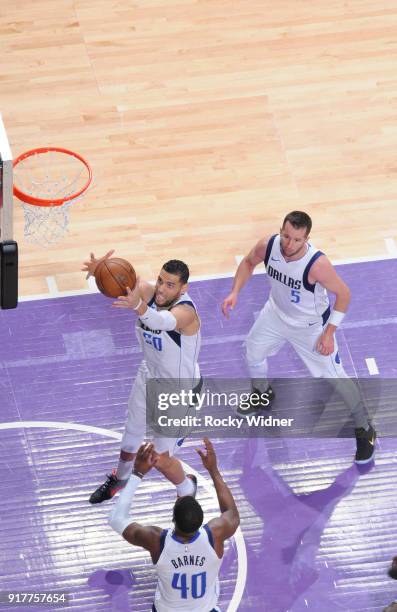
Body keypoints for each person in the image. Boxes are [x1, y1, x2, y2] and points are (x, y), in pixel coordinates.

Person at [221, 210, 376, 464]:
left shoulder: (317, 264)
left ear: (307, 239)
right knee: (252, 350)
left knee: (334, 378)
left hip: (310, 327)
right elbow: (248, 262)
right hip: (276, 314)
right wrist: (235, 292)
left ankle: (365, 427)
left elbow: (344, 295)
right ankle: (262, 393)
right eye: (286, 236)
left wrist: (329, 333)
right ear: (280, 231)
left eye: (296, 240)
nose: (289, 244)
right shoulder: (268, 245)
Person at [83, 251, 202, 503]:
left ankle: (186, 489)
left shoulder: (186, 313)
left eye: (170, 285)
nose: (161, 288)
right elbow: (125, 281)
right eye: (160, 280)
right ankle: (120, 478)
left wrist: (138, 305)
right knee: (130, 436)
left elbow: (161, 321)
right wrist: (101, 270)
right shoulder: (150, 294)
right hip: (149, 376)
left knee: (160, 458)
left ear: (183, 288)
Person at [108, 437, 240, 612]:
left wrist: (137, 474)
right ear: (202, 521)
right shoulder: (214, 534)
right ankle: (187, 490)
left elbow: (117, 518)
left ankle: (186, 489)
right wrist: (213, 470)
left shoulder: (157, 541)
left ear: (173, 519)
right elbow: (231, 513)